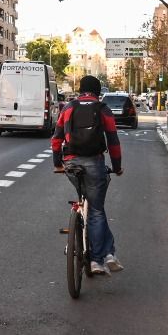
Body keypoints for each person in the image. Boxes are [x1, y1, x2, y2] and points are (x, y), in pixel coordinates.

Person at [52, 74, 124, 276]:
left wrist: (58, 163)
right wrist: (117, 167)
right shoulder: (102, 109)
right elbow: (113, 141)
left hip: (72, 163)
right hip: (94, 162)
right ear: (98, 92)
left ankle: (107, 253)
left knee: (91, 205)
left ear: (81, 89)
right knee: (96, 210)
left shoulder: (68, 108)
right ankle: (98, 259)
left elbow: (56, 138)